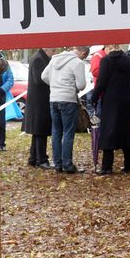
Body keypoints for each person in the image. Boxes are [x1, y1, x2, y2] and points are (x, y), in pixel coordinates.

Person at [43, 45, 88, 173]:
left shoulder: (54, 59)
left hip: (54, 98)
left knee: (56, 132)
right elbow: (81, 84)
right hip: (68, 99)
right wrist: (71, 87)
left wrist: (55, 85)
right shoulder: (77, 63)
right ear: (82, 53)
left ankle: (58, 164)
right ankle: (67, 164)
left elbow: (43, 76)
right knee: (68, 132)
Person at [93, 45, 130, 173]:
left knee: (109, 132)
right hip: (126, 99)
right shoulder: (128, 60)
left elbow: (101, 82)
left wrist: (94, 98)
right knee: (126, 132)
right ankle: (129, 166)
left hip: (110, 100)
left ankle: (107, 167)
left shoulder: (106, 61)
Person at [24, 48, 52, 167]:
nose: (54, 53)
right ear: (46, 48)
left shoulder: (38, 58)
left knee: (38, 131)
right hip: (39, 101)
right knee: (41, 130)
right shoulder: (38, 59)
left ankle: (33, 157)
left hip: (38, 100)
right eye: (53, 50)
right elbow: (39, 79)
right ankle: (41, 159)